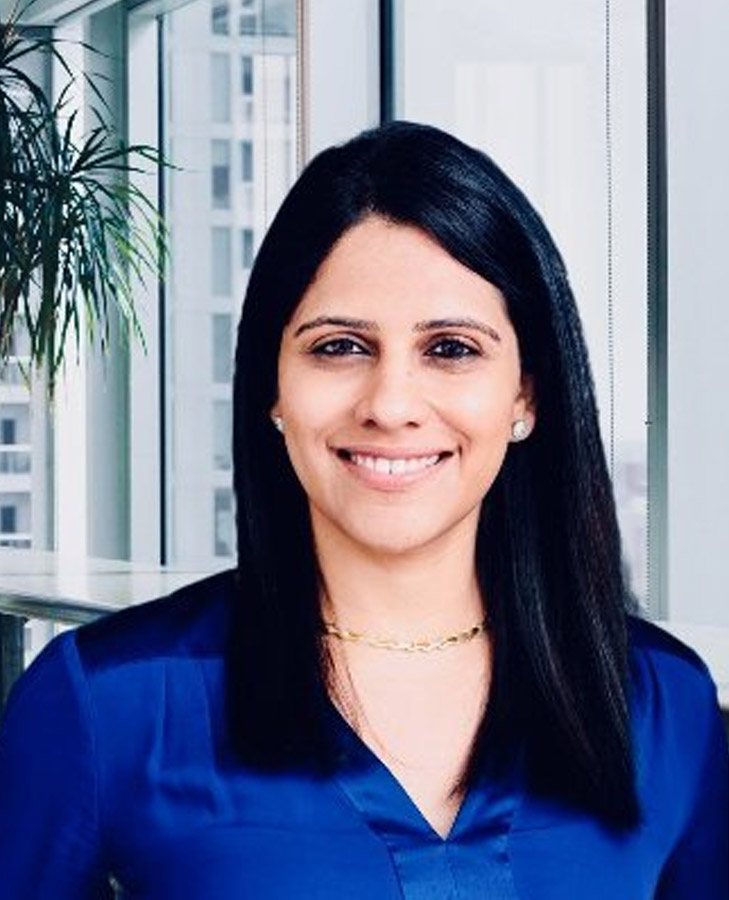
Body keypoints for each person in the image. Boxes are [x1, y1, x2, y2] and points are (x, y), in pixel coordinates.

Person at [0, 121, 726, 898]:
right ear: (273, 387)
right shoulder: (110, 702)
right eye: (339, 346)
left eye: (451, 349)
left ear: (525, 393)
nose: (390, 404)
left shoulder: (664, 704)